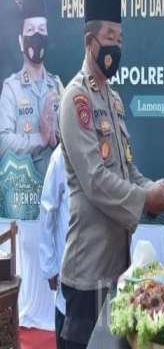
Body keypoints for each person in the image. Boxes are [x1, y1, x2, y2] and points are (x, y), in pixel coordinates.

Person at [59, 0, 164, 348]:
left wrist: (157, 189)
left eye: (120, 39)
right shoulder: (77, 99)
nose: (116, 46)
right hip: (88, 269)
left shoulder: (112, 100)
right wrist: (145, 199)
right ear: (90, 42)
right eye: (109, 37)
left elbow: (127, 170)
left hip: (117, 266)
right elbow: (95, 180)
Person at [0, 0, 62, 333]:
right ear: (20, 40)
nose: (37, 38)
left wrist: (57, 135)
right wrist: (41, 137)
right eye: (31, 32)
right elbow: (3, 140)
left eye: (42, 31)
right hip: (24, 202)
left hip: (54, 203)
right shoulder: (11, 89)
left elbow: (67, 139)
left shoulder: (58, 86)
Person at [39, 144, 69, 349]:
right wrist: (49, 266)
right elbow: (47, 211)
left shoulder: (105, 150)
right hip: (67, 269)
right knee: (67, 324)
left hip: (100, 273)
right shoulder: (60, 156)